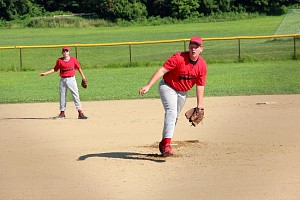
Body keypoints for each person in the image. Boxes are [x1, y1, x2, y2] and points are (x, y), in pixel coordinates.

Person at [139, 36, 207, 157]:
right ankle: (167, 145)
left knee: (174, 116)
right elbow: (162, 71)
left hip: (183, 92)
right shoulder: (178, 58)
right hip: (167, 86)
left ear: (201, 49)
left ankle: (163, 142)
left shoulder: (202, 65)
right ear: (188, 47)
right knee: (171, 111)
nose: (193, 49)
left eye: (196, 47)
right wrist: (148, 85)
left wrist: (200, 105)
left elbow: (200, 85)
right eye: (191, 47)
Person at [40, 46, 88, 119]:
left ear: (69, 52)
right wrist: (45, 73)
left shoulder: (73, 60)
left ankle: (80, 113)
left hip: (72, 79)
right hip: (63, 80)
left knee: (75, 96)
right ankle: (62, 113)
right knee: (62, 96)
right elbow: (55, 69)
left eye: (67, 51)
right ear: (62, 53)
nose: (65, 52)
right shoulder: (59, 61)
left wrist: (83, 77)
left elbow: (79, 68)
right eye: (64, 51)